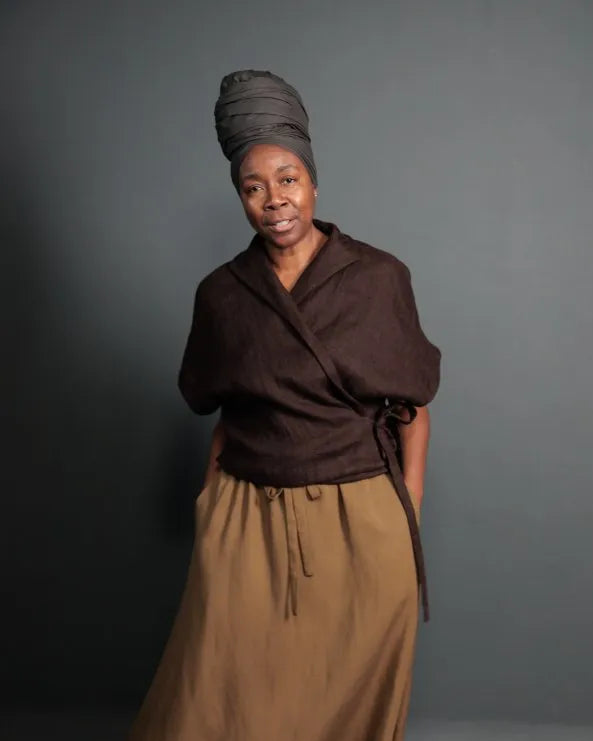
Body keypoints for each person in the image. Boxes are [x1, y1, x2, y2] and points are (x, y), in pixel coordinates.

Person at [127, 69, 441, 741]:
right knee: (220, 696)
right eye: (253, 186)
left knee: (348, 700)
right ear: (240, 197)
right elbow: (221, 408)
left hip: (362, 521)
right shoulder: (222, 293)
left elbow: (412, 406)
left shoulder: (378, 277)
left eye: (288, 178)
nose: (274, 199)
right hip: (249, 514)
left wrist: (407, 507)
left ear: (313, 182)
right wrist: (211, 506)